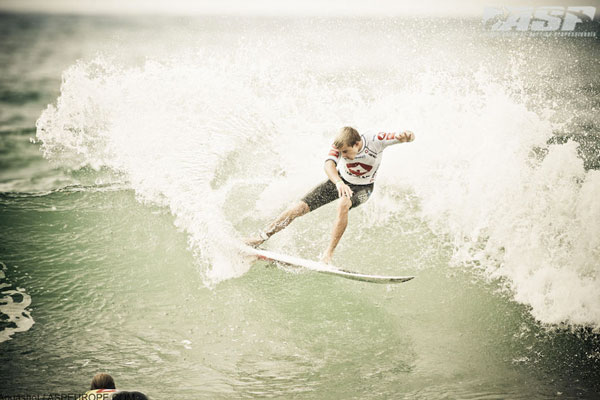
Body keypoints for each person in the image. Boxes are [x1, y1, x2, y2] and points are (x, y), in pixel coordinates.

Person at [246, 126, 415, 263]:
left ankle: (328, 255)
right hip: (339, 181)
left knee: (343, 204)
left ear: (357, 144)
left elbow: (406, 137)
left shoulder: (375, 140)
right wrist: (339, 182)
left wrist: (407, 136)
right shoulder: (339, 145)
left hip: (363, 189)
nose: (343, 156)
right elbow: (329, 165)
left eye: (346, 152)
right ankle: (260, 237)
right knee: (298, 208)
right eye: (341, 153)